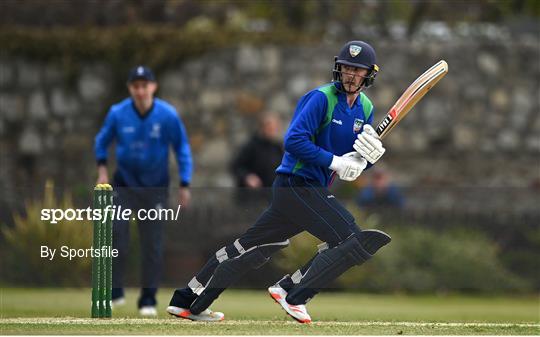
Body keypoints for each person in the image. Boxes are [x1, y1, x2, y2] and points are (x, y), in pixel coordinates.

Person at [166, 41, 390, 323]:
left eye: (357, 70)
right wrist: (336, 162)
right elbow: (294, 141)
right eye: (347, 67)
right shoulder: (321, 98)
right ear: (338, 67)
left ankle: (187, 301)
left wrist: (368, 160)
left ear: (369, 73)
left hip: (310, 190)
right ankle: (292, 292)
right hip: (296, 183)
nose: (350, 74)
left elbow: (354, 159)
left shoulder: (365, 108)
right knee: (349, 238)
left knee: (247, 247)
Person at [94, 65, 193, 316]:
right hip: (124, 185)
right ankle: (115, 291)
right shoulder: (117, 113)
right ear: (130, 88)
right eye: (135, 86)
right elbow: (102, 141)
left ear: (153, 87)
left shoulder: (167, 115)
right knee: (117, 234)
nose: (140, 90)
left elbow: (181, 148)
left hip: (156, 189)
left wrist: (184, 183)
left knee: (153, 245)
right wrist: (102, 169)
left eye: (144, 85)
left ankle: (147, 299)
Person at [231, 113, 284, 189]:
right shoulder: (251, 146)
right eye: (270, 128)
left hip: (271, 193)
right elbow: (236, 166)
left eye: (275, 128)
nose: (273, 131)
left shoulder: (277, 147)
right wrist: (248, 177)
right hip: (253, 194)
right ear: (263, 128)